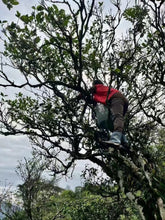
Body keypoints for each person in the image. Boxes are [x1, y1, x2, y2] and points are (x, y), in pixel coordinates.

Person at [92, 79, 129, 147]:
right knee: (115, 120)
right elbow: (94, 101)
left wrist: (78, 96)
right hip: (120, 99)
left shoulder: (98, 87)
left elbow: (89, 91)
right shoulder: (103, 91)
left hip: (116, 98)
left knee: (117, 117)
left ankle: (115, 140)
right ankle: (124, 141)